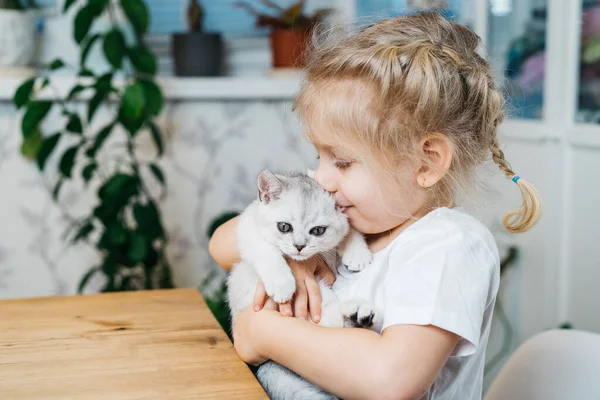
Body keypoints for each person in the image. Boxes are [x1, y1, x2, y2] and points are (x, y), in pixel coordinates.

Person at [209, 11, 541, 400]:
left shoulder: (448, 244)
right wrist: (296, 258)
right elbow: (221, 244)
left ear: (427, 162)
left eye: (343, 162)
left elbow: (389, 380)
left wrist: (260, 333)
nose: (321, 178)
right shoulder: (342, 220)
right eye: (319, 157)